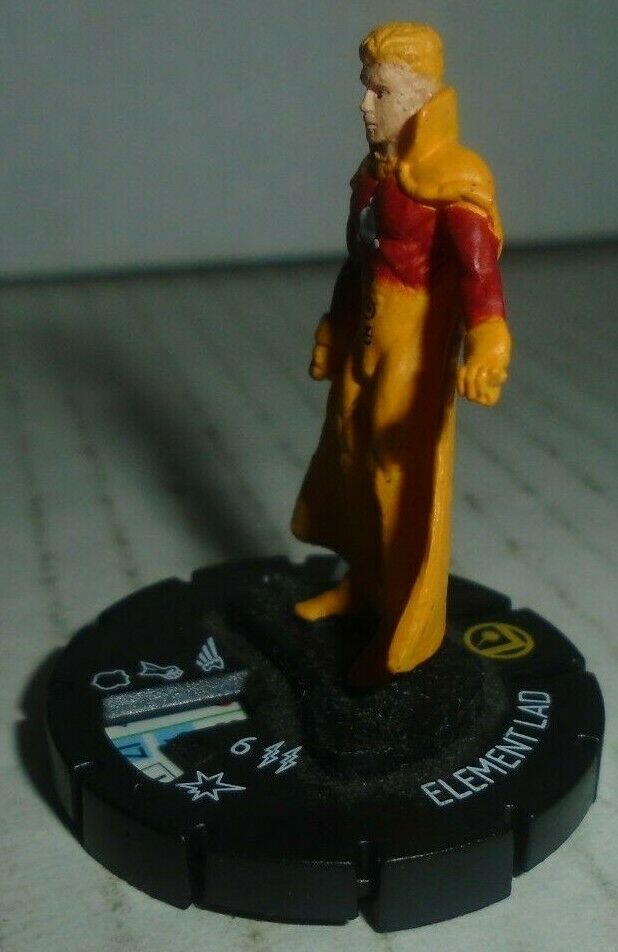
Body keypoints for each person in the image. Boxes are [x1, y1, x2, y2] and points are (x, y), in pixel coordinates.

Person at [291, 22, 511, 686]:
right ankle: (364, 584)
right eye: (366, 88)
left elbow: (479, 275)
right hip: (365, 333)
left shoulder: (452, 178)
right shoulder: (370, 174)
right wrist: (334, 324)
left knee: (396, 478)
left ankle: (399, 623)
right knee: (351, 457)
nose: (365, 105)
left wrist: (490, 339)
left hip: (414, 344)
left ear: (420, 96)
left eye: (381, 91)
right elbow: (359, 260)